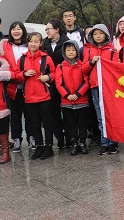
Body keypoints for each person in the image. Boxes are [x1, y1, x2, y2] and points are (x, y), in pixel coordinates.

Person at [15, 32, 57, 160]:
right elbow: (16, 75)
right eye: (31, 41)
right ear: (27, 42)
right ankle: (39, 146)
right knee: (34, 123)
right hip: (29, 96)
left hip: (44, 95)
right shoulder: (22, 59)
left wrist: (48, 77)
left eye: (36, 41)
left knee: (47, 122)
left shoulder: (46, 58)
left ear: (40, 43)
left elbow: (55, 73)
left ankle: (48, 146)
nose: (33, 44)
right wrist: (24, 74)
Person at [82, 24, 120, 155]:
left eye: (100, 33)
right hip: (95, 87)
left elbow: (117, 69)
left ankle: (113, 142)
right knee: (100, 117)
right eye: (95, 34)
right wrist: (91, 62)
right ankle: (105, 142)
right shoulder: (88, 51)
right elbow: (84, 69)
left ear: (106, 35)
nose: (98, 36)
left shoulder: (112, 51)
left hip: (109, 88)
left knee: (111, 115)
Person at [0, 21, 32, 153]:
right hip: (13, 86)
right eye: (13, 29)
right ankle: (17, 139)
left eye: (19, 29)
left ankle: (32, 138)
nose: (16, 31)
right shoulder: (6, 46)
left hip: (29, 85)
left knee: (30, 115)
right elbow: (3, 64)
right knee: (15, 116)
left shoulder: (29, 44)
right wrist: (18, 75)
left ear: (23, 31)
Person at [55, 40, 90, 155]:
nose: (71, 52)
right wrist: (67, 95)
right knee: (70, 124)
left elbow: (86, 82)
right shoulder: (60, 66)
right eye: (68, 50)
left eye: (73, 49)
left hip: (81, 100)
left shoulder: (82, 66)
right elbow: (58, 83)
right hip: (67, 102)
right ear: (64, 52)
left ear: (77, 51)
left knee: (82, 123)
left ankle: (82, 143)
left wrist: (78, 94)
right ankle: (74, 143)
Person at [42, 19, 70, 149]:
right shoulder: (44, 44)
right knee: (54, 112)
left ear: (57, 29)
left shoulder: (66, 42)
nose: (47, 31)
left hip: (66, 81)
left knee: (68, 110)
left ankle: (70, 137)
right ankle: (59, 138)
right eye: (46, 29)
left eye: (49, 28)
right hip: (50, 82)